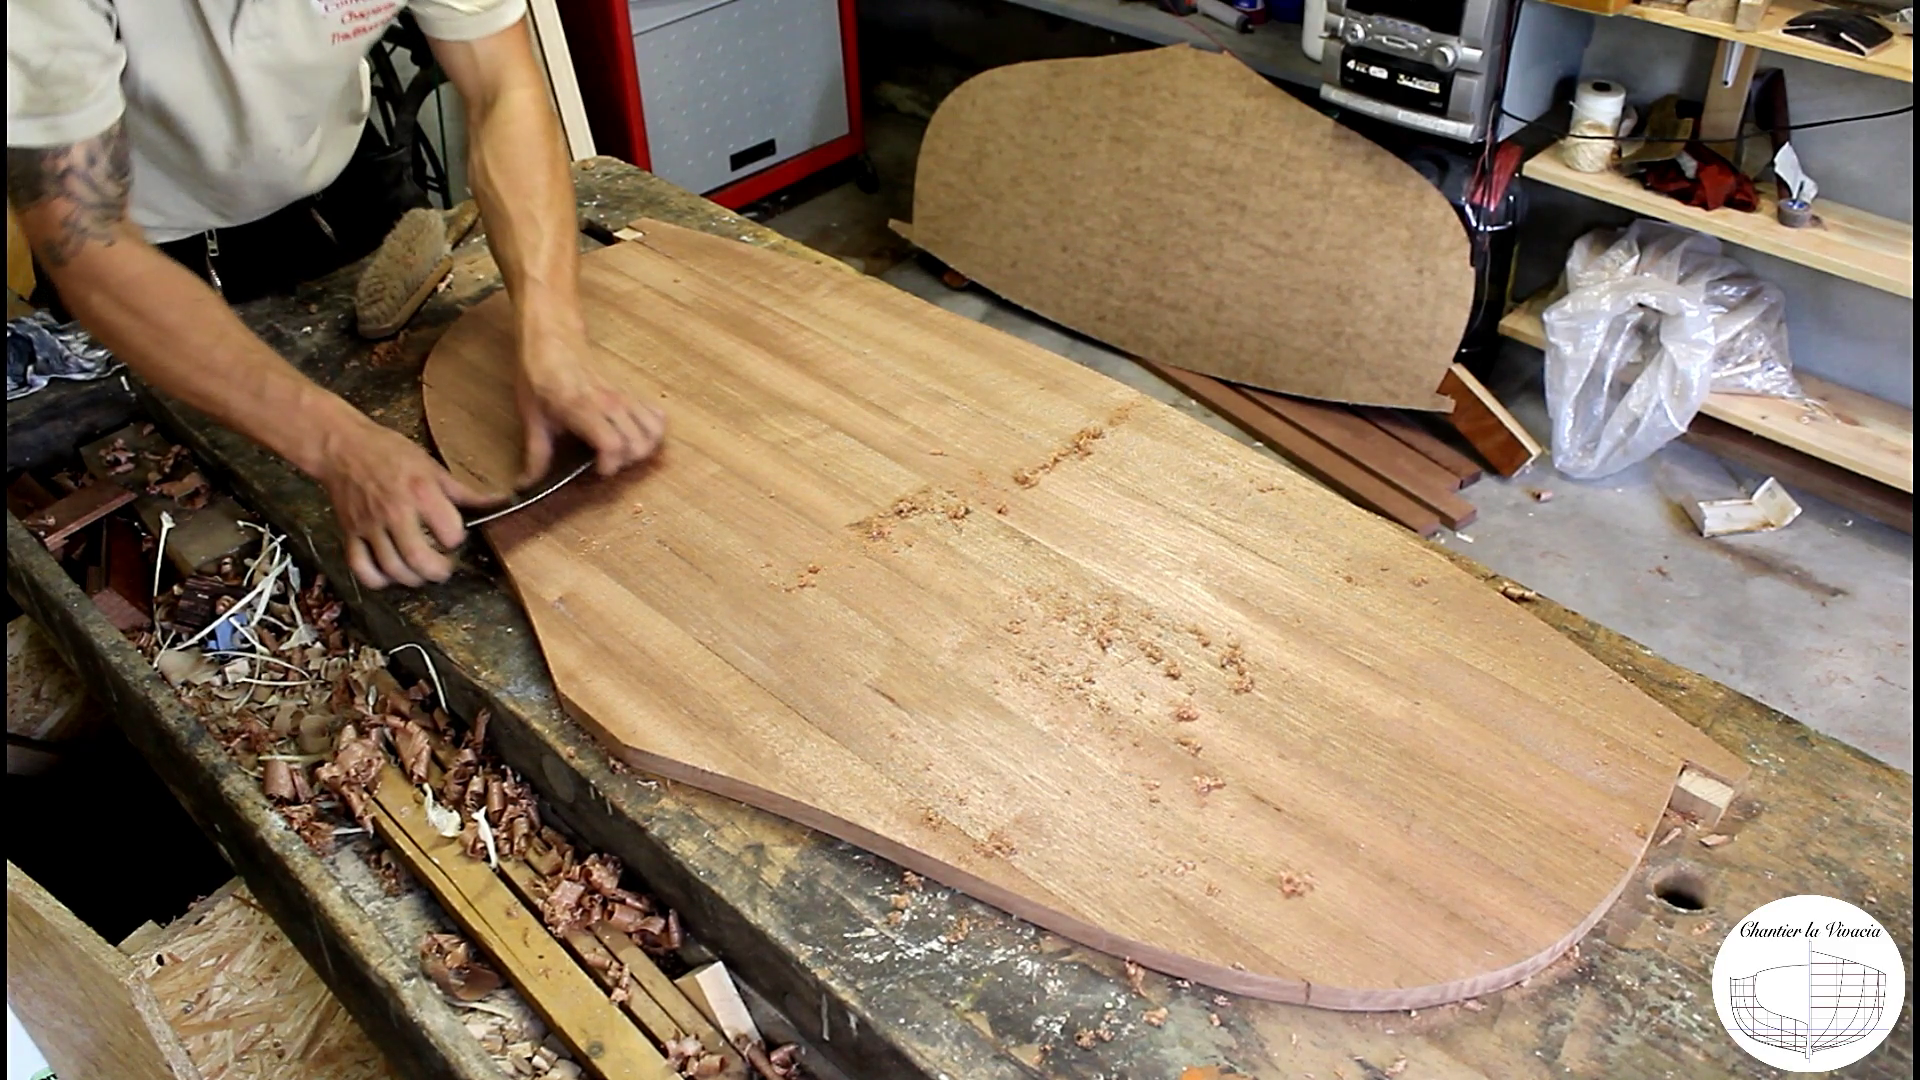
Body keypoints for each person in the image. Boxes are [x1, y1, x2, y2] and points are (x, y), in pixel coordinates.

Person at [6, 1, 667, 590]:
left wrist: (554, 339)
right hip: (148, 257)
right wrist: (337, 445)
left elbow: (503, 89)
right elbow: (83, 239)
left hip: (336, 184)